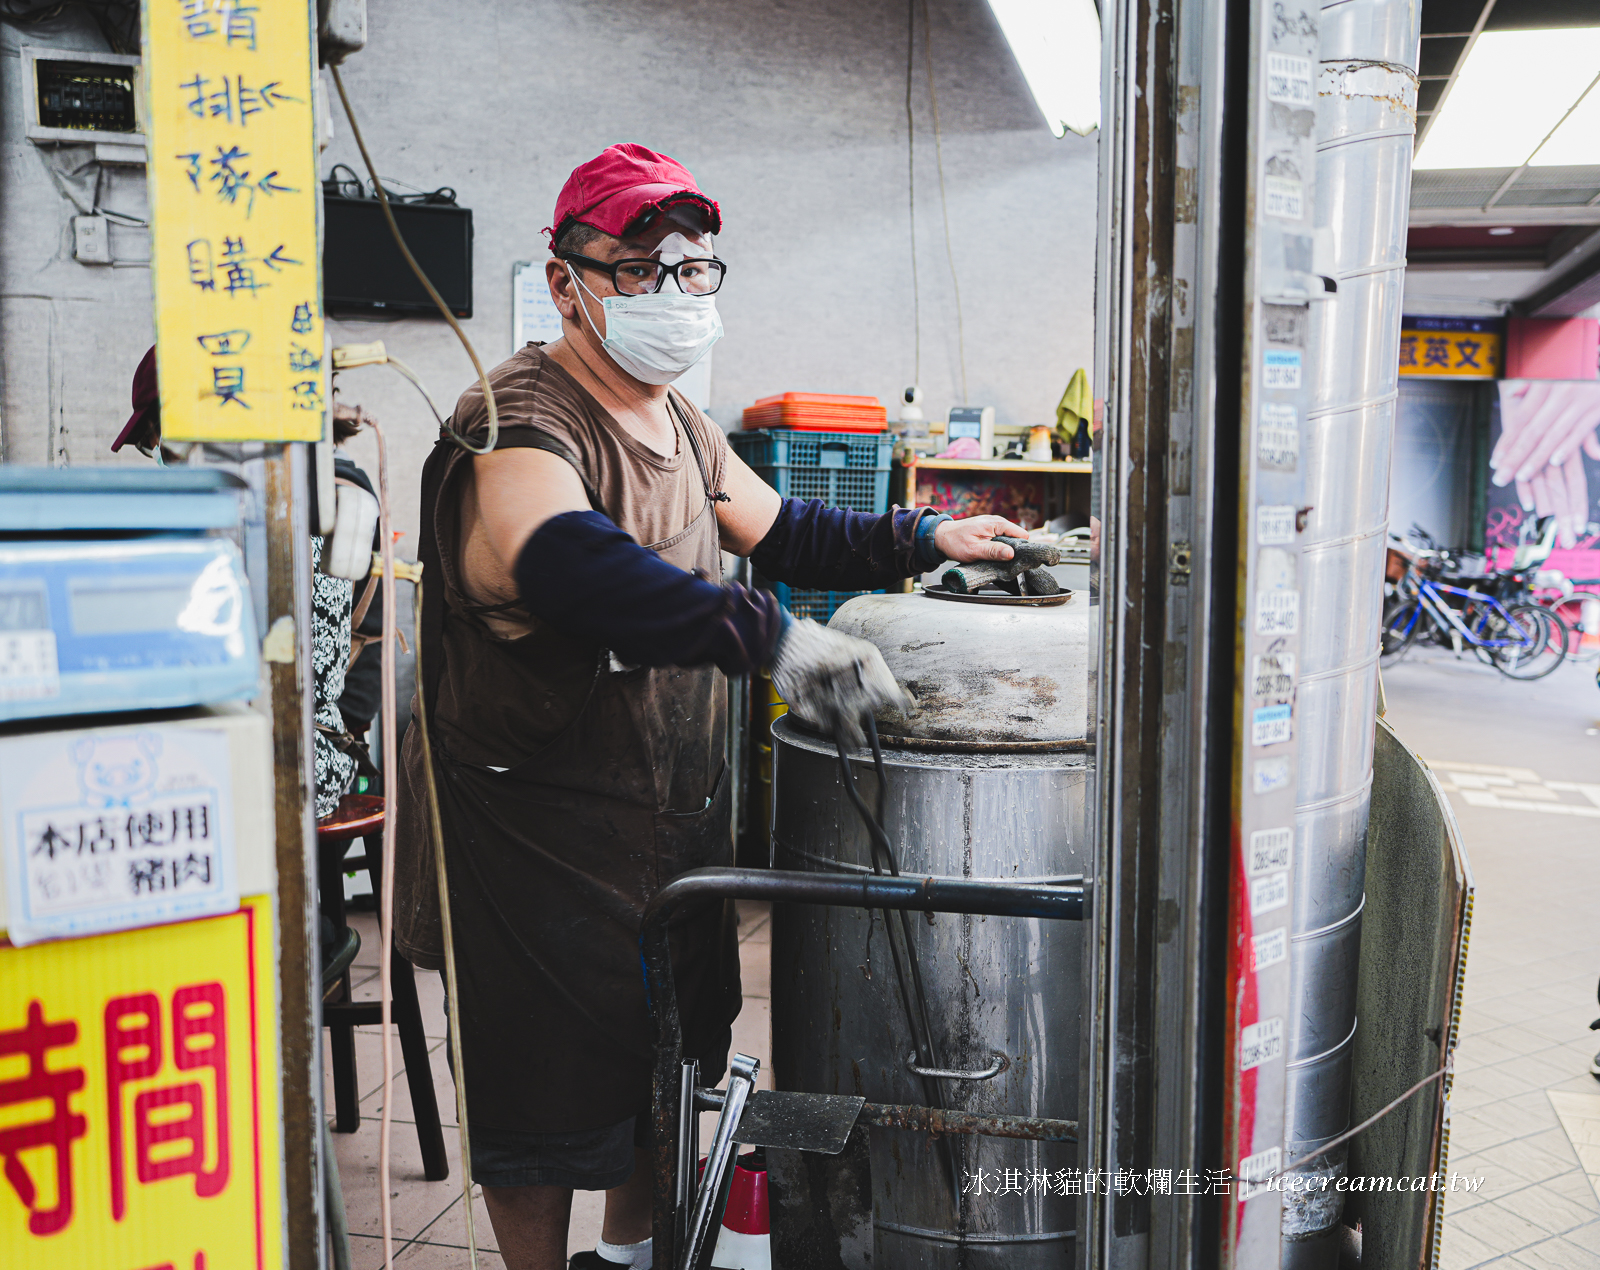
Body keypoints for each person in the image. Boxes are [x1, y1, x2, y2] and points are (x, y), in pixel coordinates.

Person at [391, 143, 1027, 1270]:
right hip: (534, 824)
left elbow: (781, 529)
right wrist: (766, 634)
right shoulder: (515, 420)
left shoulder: (677, 419)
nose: (671, 293)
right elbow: (566, 560)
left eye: (690, 269)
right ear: (564, 281)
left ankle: (634, 1257)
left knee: (663, 1056)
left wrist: (922, 538)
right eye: (636, 267)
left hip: (662, 816)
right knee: (541, 1094)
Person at [114, 346, 358, 819]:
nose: (160, 458)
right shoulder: (252, 514)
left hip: (299, 756)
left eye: (156, 442)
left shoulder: (272, 528)